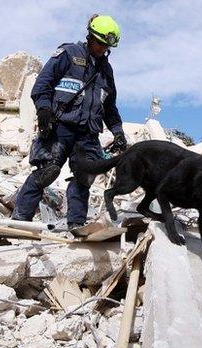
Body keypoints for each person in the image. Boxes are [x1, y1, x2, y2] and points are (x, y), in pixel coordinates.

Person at [11, 14, 127, 230]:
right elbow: (42, 85)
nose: (102, 49)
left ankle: (76, 224)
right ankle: (20, 221)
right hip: (60, 127)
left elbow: (110, 107)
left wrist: (118, 131)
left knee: (85, 176)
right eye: (99, 43)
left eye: (106, 46)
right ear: (90, 37)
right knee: (48, 171)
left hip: (88, 133)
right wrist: (44, 110)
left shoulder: (106, 71)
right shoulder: (69, 54)